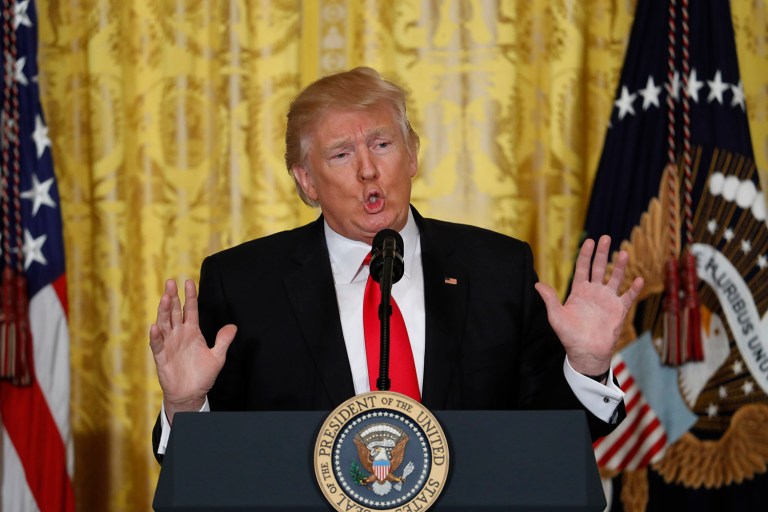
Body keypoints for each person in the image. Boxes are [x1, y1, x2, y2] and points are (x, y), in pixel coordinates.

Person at [150, 67, 644, 459]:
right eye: (341, 154)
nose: (368, 169)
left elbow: (551, 441)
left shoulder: (499, 269)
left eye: (383, 144)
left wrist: (588, 367)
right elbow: (212, 467)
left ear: (412, 155)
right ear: (306, 181)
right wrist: (186, 405)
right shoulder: (243, 284)